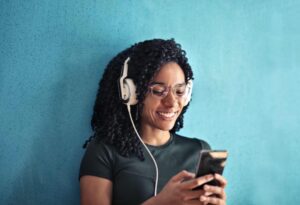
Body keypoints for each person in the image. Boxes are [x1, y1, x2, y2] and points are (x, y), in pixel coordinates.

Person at [79, 39, 227, 205]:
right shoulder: (104, 151)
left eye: (179, 91)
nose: (171, 102)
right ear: (131, 93)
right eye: (158, 91)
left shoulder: (200, 150)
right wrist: (161, 202)